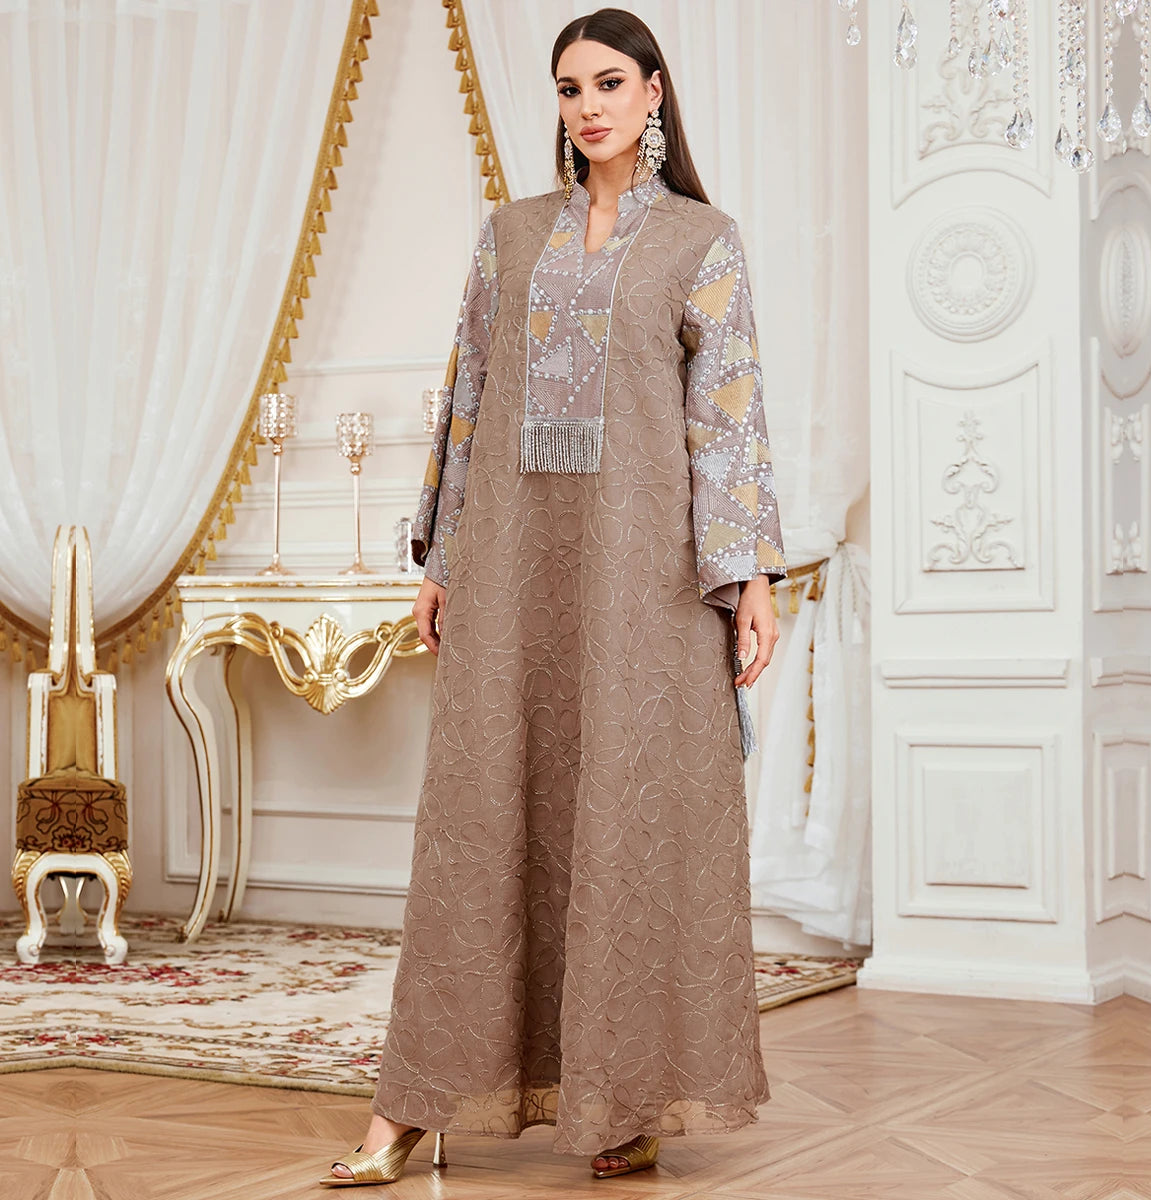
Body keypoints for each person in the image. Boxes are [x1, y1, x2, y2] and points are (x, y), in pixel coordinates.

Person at [320, 6, 787, 1188]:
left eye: (609, 84)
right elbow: (469, 397)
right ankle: (410, 1106)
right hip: (514, 565)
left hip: (646, 577)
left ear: (654, 92)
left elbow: (728, 418)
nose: (588, 108)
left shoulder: (703, 242)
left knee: (629, 818)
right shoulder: (512, 236)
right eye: (570, 89)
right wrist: (444, 557)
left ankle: (620, 1100)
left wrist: (750, 577)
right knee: (483, 812)